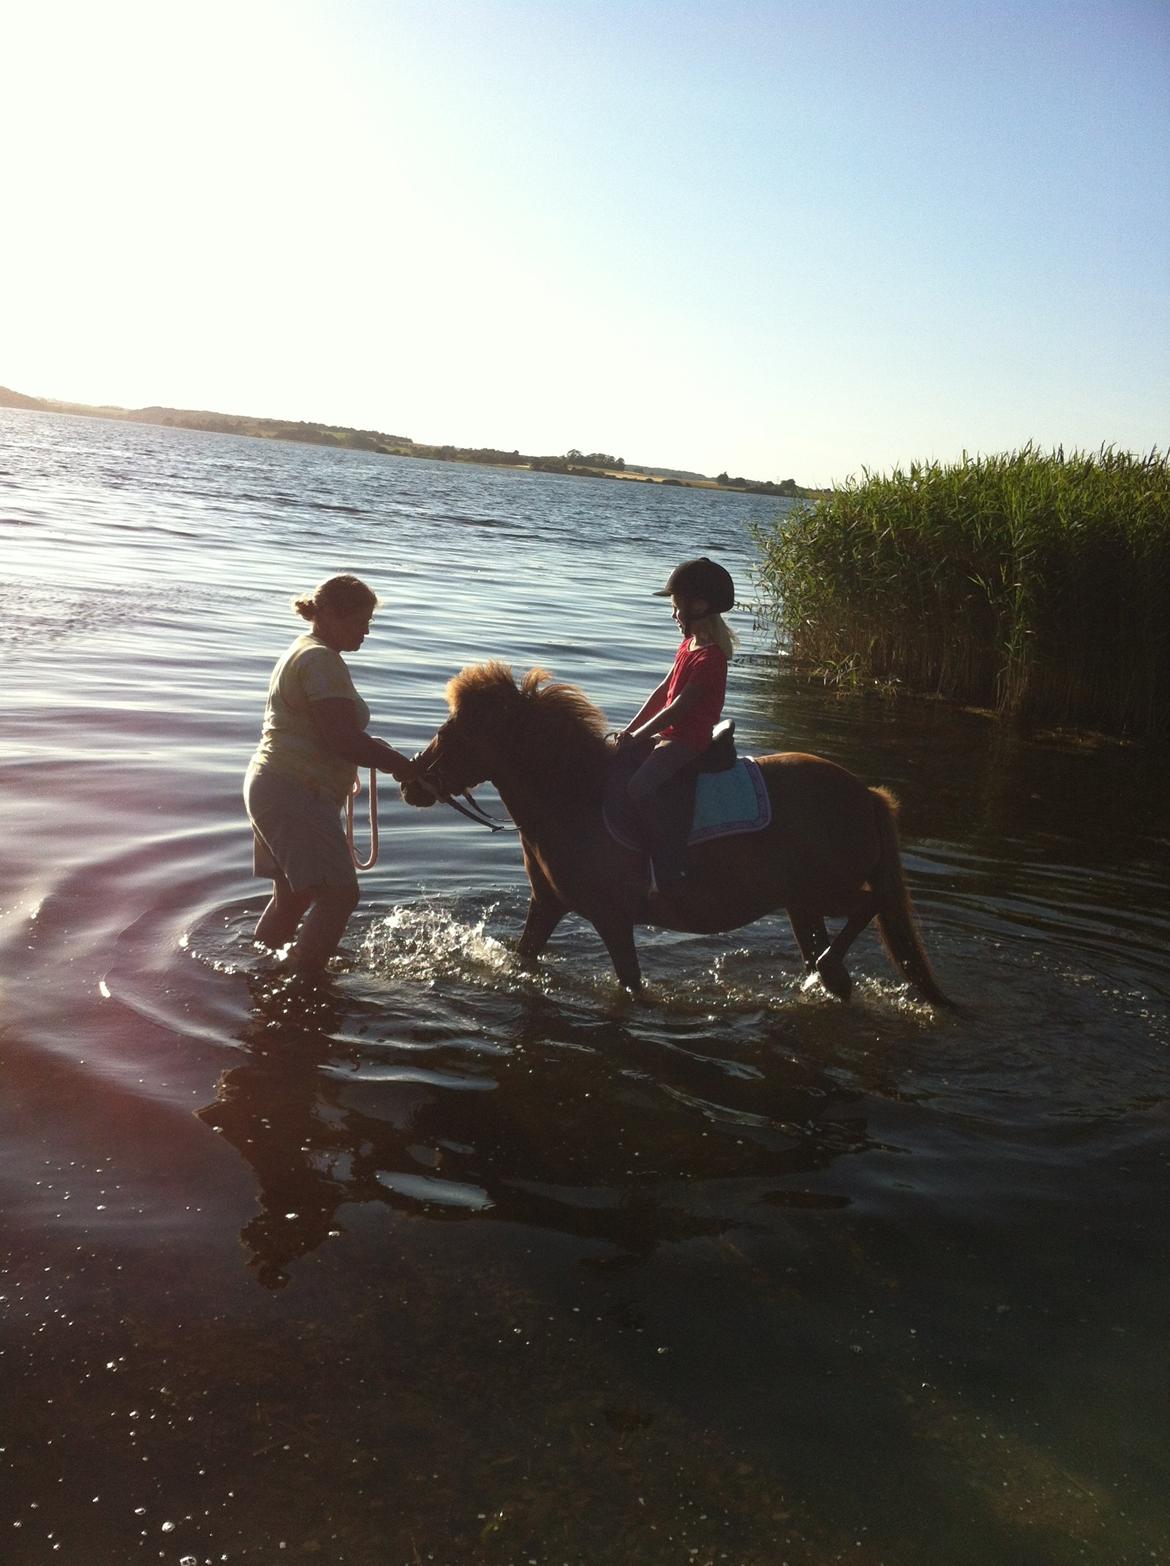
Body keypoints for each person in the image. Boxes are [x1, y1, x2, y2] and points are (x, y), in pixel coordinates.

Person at [244, 573, 416, 973]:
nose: (367, 631)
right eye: (361, 621)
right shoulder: (321, 660)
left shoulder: (305, 650)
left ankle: (262, 972)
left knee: (293, 896)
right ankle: (303, 984)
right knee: (339, 896)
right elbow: (343, 739)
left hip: (273, 785)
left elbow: (341, 735)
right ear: (332, 616)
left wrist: (394, 760)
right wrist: (405, 768)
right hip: (294, 791)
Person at [616, 556, 737, 890]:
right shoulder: (688, 645)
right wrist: (629, 731)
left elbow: (679, 709)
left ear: (698, 606)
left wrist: (640, 735)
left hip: (687, 739)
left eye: (675, 607)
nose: (673, 614)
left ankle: (668, 862)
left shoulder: (711, 658)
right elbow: (661, 694)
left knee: (637, 788)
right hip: (669, 735)